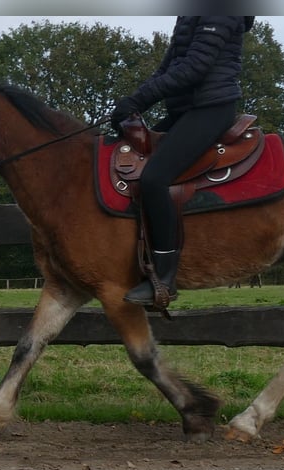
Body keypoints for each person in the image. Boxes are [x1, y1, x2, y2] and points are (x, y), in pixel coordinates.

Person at [110, 16, 256, 307]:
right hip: (185, 111)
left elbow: (195, 68)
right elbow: (168, 67)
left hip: (211, 108)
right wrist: (129, 103)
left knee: (155, 178)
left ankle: (164, 279)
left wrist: (139, 100)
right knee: (129, 156)